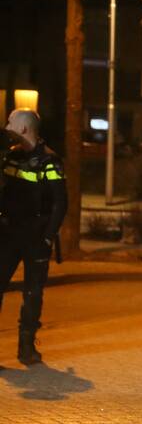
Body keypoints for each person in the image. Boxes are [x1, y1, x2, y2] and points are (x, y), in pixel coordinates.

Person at [0, 109, 67, 365]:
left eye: (10, 123)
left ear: (24, 129)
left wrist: (48, 237)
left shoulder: (49, 161)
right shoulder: (11, 156)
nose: (7, 127)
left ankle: (26, 348)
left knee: (32, 293)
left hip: (36, 238)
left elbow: (60, 203)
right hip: (8, 234)